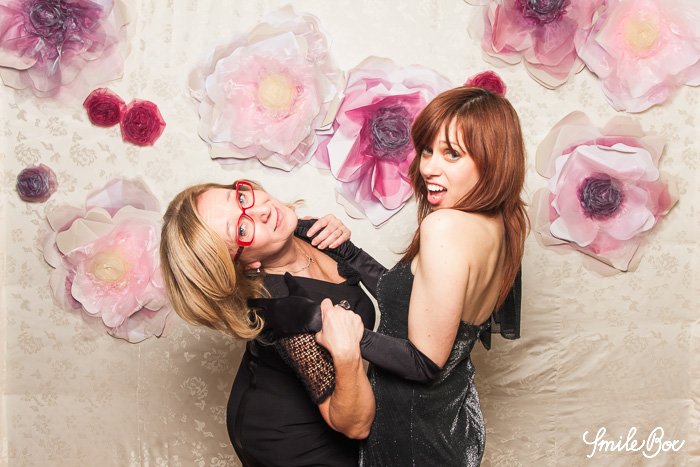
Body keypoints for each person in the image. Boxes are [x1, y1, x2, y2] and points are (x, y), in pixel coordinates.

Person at [317, 85, 528, 466]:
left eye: (452, 154)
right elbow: (421, 302)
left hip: (414, 431)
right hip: (452, 420)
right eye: (428, 150)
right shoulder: (504, 222)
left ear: (493, 160)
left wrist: (336, 330)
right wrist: (348, 253)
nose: (429, 167)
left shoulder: (444, 227)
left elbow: (424, 362)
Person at [159, 180, 378, 466]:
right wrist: (347, 355)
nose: (260, 211)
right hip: (287, 438)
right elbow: (355, 425)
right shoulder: (284, 311)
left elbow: (400, 296)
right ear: (242, 264)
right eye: (241, 229)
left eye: (240, 198)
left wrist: (347, 248)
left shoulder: (300, 232)